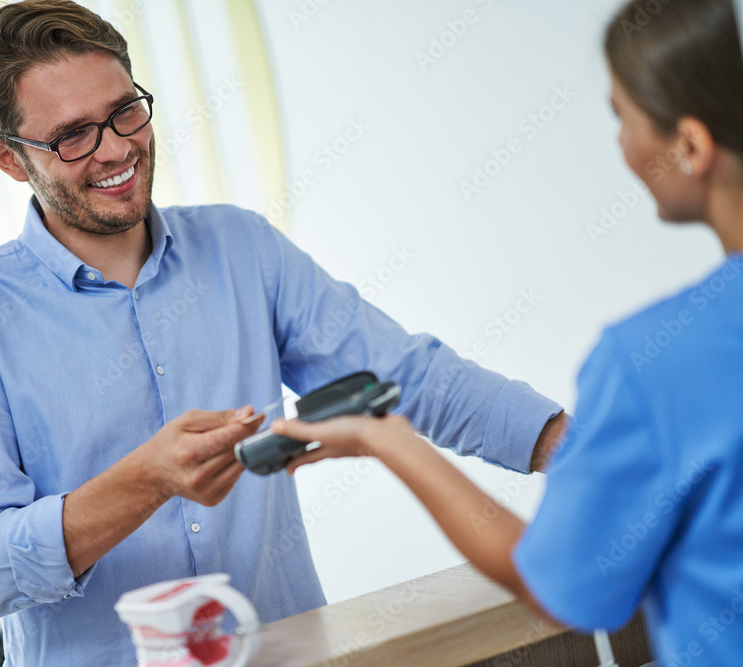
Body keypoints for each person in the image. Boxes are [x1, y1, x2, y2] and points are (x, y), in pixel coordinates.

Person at [0, 1, 567, 663]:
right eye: (73, 136)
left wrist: (584, 455)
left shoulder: (240, 247)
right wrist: (145, 480)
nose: (116, 148)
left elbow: (407, 378)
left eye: (125, 112)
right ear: (10, 159)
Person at [272, 0, 743, 663]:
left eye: (621, 116)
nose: (621, 144)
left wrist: (390, 442)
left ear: (689, 145)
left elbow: (558, 584)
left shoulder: (654, 362)